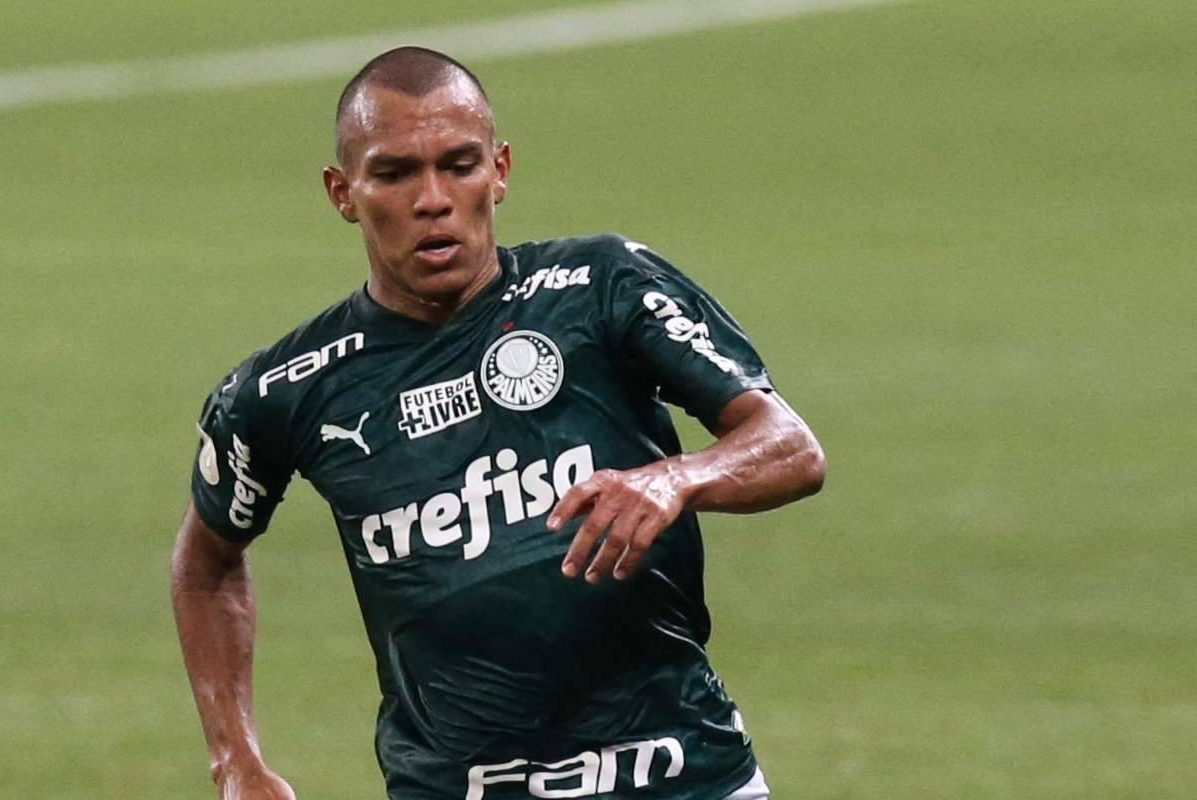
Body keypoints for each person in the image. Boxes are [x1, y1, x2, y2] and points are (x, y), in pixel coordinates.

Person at [171, 46, 826, 800]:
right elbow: (205, 565)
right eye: (395, 173)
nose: (433, 200)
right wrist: (235, 760)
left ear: (500, 170)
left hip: (685, 778)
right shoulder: (287, 390)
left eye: (459, 165)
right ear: (343, 192)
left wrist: (677, 478)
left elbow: (789, 447)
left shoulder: (601, 287)